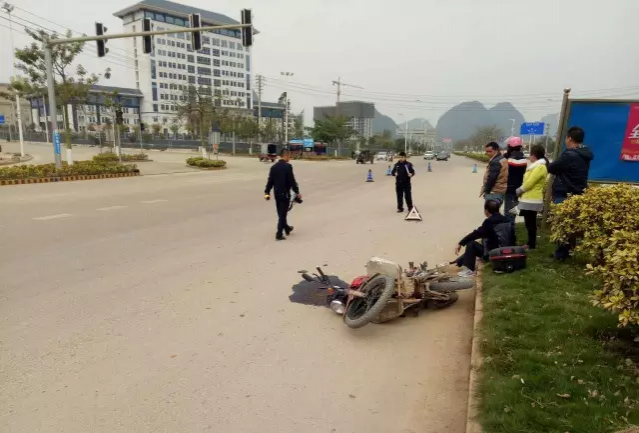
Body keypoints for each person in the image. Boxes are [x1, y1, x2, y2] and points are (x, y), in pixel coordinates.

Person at [546, 126, 594, 260]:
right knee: (571, 224)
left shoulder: (569, 154)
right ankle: (568, 251)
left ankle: (561, 254)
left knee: (562, 224)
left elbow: (552, 168)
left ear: (570, 139)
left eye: (566, 138)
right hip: (578, 192)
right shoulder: (585, 154)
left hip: (564, 192)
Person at [453, 200, 514, 277]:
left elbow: (475, 234)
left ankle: (470, 271)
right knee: (485, 239)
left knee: (471, 244)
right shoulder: (507, 219)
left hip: (494, 254)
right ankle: (460, 261)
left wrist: (460, 243)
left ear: (486, 210)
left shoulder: (488, 222)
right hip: (508, 251)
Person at [514, 144, 548, 249]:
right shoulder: (535, 166)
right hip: (527, 199)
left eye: (530, 154)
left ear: (534, 155)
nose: (528, 156)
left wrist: (519, 190)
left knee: (531, 223)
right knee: (528, 222)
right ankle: (529, 243)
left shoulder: (540, 167)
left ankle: (531, 245)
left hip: (532, 199)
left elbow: (530, 183)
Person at [264, 148, 301, 241]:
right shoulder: (288, 167)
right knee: (282, 215)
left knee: (281, 213)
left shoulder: (274, 167)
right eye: (289, 156)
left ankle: (287, 228)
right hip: (285, 194)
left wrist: (267, 192)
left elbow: (270, 181)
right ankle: (279, 233)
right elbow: (292, 181)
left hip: (277, 194)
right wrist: (297, 192)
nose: (290, 158)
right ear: (286, 155)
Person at [504, 136, 528, 221]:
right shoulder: (524, 160)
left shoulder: (509, 160)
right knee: (513, 212)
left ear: (510, 147)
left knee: (508, 213)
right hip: (519, 189)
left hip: (510, 188)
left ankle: (509, 232)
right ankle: (511, 229)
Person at [481, 142, 508, 209]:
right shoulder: (502, 159)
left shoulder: (495, 161)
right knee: (495, 213)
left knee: (490, 214)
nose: (488, 153)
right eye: (487, 151)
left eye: (490, 151)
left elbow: (491, 178)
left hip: (494, 192)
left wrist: (487, 191)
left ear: (496, 150)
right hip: (500, 191)